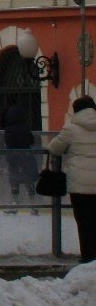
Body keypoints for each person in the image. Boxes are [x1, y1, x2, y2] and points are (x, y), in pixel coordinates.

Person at [47, 95, 96, 264]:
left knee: (85, 222)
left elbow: (54, 148)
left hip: (80, 186)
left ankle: (89, 256)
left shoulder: (71, 129)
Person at [1, 103, 40, 214]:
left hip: (14, 159)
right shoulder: (25, 128)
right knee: (29, 181)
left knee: (14, 181)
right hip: (27, 157)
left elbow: (8, 144)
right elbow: (31, 141)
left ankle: (14, 205)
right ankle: (33, 206)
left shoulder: (8, 129)